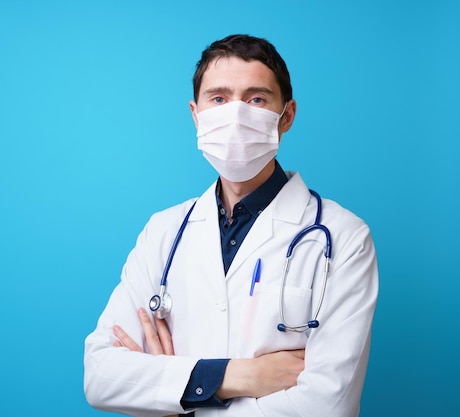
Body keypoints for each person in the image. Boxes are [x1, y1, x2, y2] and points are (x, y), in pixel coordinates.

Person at [84, 34, 378, 417]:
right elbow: (101, 376)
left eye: (256, 99)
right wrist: (237, 376)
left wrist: (176, 392)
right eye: (219, 99)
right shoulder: (163, 231)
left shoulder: (343, 237)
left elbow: (328, 404)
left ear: (286, 116)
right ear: (196, 114)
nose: (236, 115)